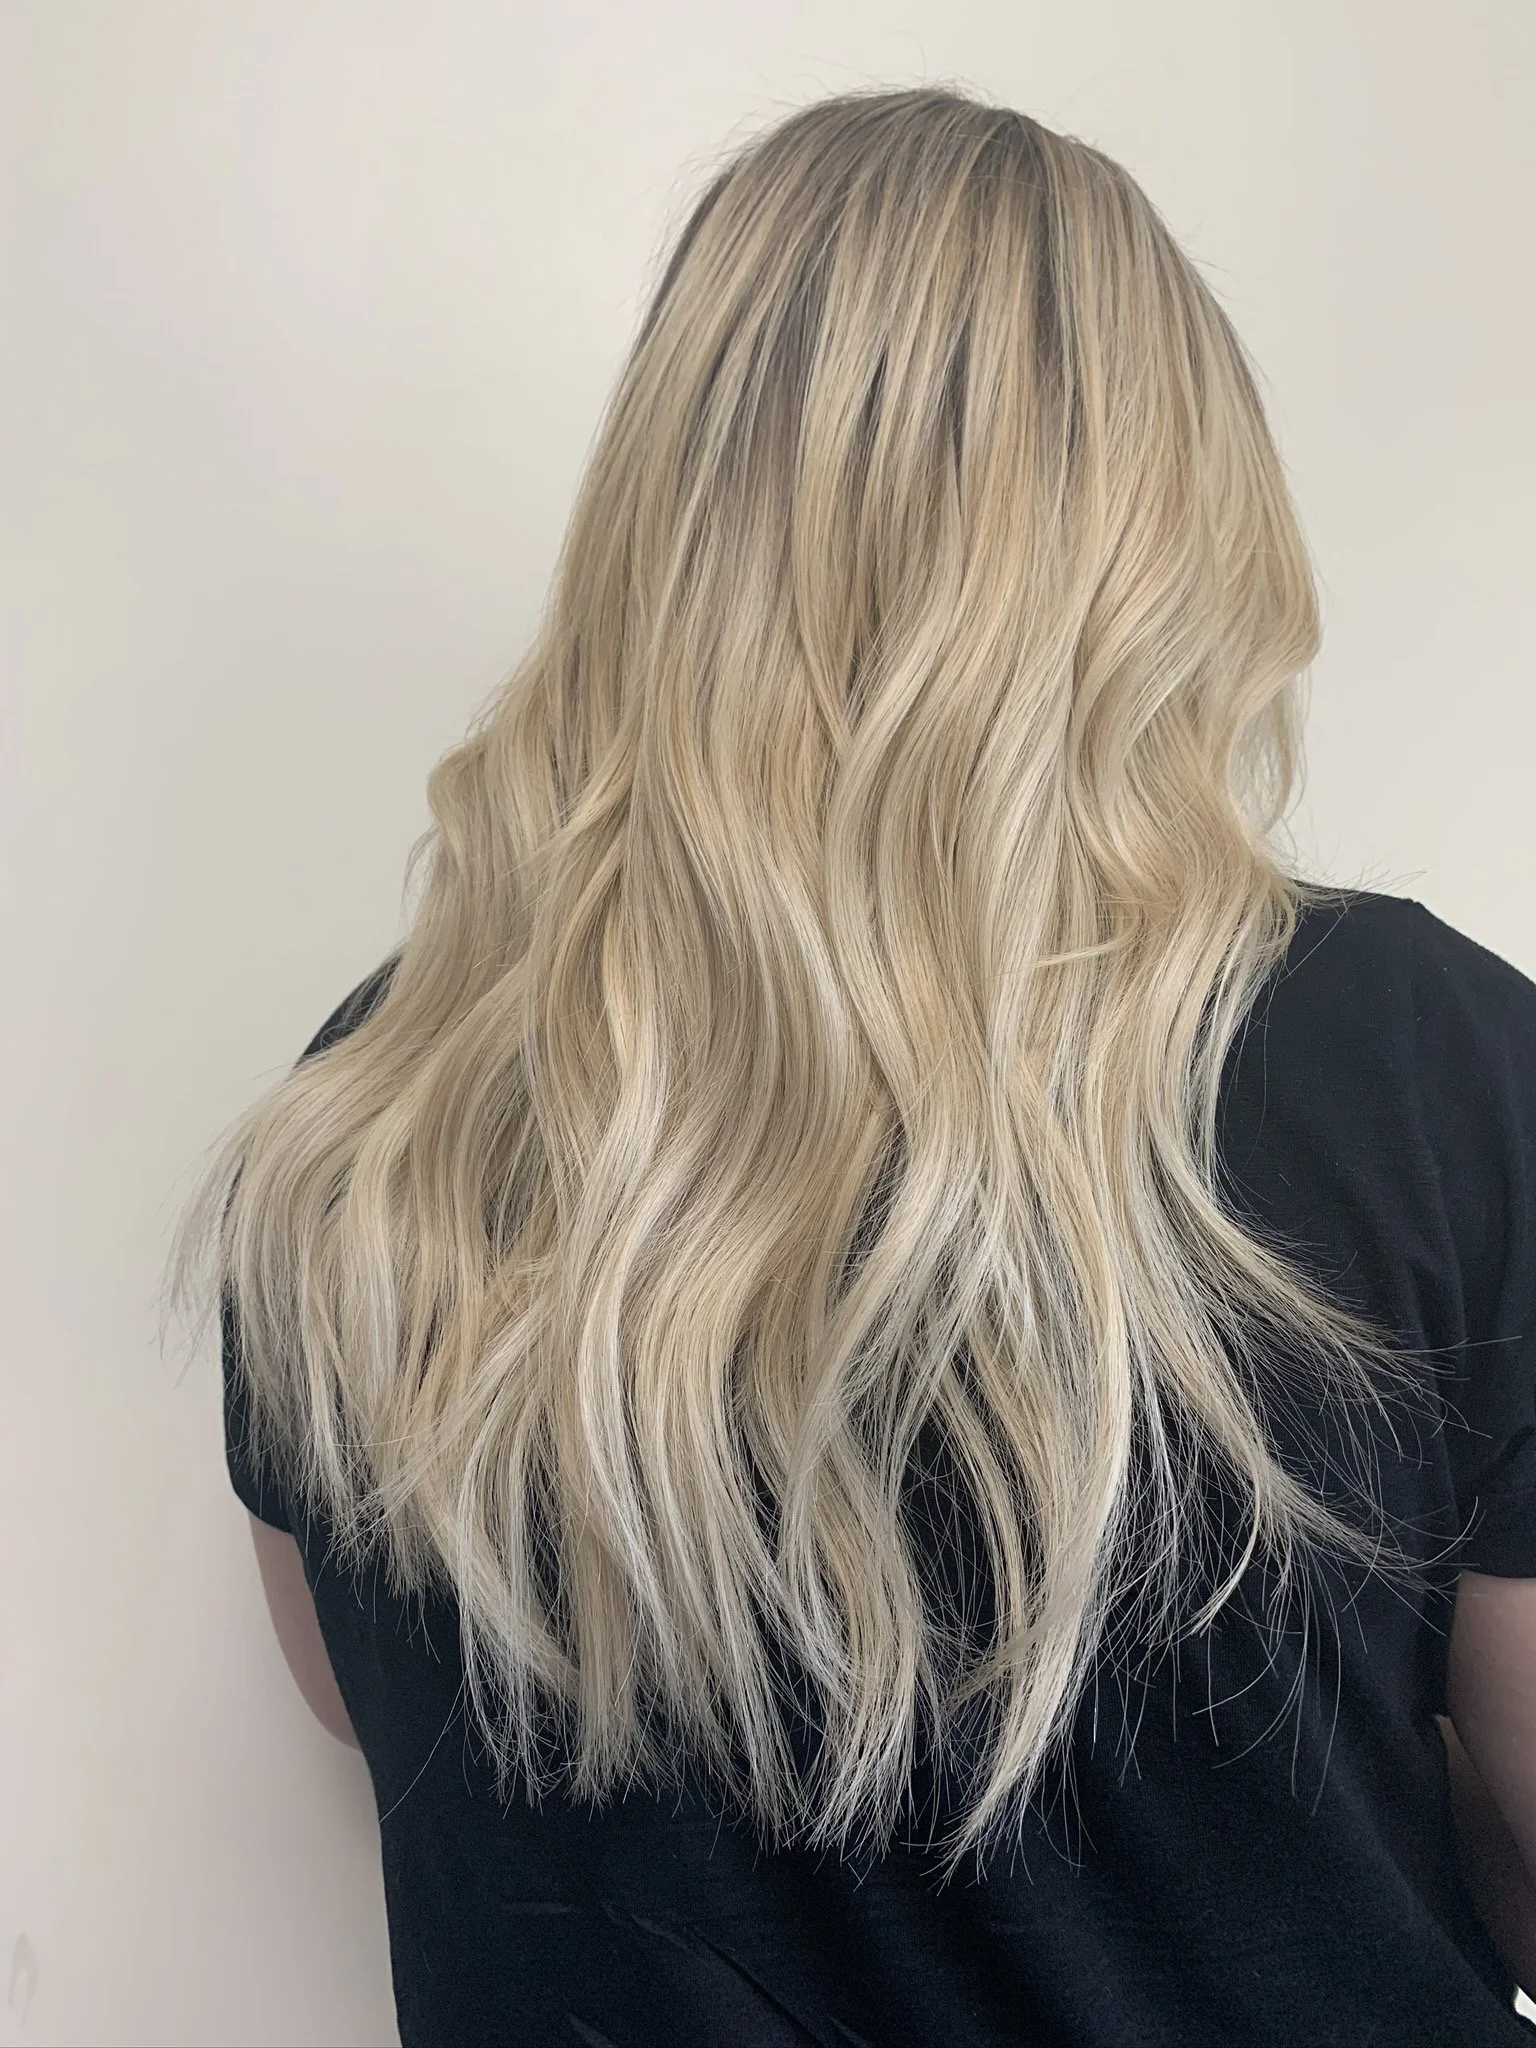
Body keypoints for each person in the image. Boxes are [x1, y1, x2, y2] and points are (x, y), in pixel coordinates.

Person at [170, 84, 1536, 2046]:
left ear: (674, 510)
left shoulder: (370, 1130)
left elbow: (384, 1712)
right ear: (1174, 525)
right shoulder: (1425, 1070)